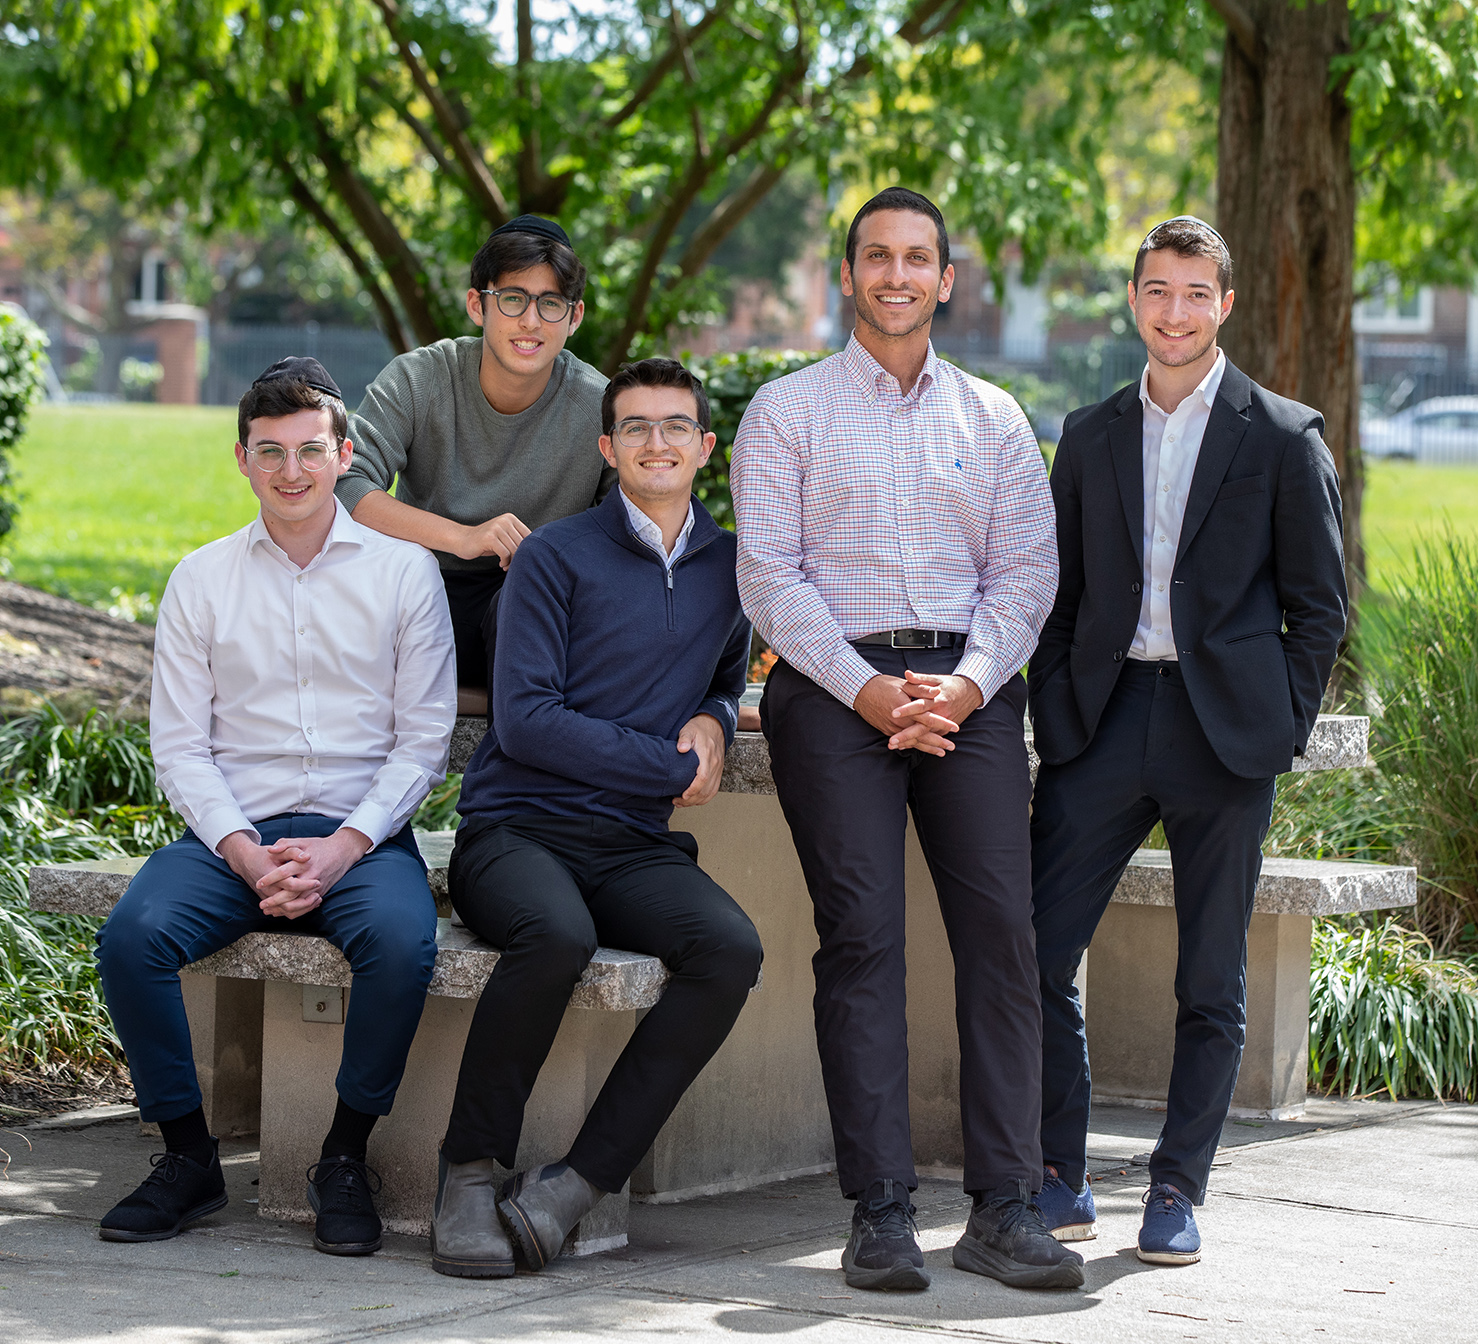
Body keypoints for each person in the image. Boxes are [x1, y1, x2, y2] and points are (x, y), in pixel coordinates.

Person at [731, 188, 1082, 1293]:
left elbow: (1026, 575)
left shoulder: (993, 417)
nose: (895, 275)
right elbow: (768, 579)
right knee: (862, 937)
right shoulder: (785, 411)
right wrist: (866, 689)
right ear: (848, 276)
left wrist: (967, 687)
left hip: (968, 692)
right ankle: (879, 1210)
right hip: (832, 690)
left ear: (945, 279)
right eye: (876, 257)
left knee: (1003, 936)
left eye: (916, 258)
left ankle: (1004, 1207)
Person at [1028, 216, 1346, 1265]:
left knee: (1209, 979)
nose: (1175, 311)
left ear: (1224, 304)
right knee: (1035, 951)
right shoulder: (1089, 434)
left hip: (1224, 737)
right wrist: (1055, 711)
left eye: (1195, 292)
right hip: (1103, 721)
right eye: (1157, 290)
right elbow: (1058, 593)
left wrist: (1277, 726)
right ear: (1134, 301)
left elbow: (1319, 608)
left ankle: (1175, 1188)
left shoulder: (1282, 436)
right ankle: (1059, 1175)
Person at [94, 358, 457, 1256]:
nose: (290, 471)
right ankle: (189, 1159)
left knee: (402, 943)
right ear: (242, 458)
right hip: (234, 839)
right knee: (132, 938)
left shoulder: (406, 574)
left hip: (361, 839)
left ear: (344, 455)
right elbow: (181, 746)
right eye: (270, 452)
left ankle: (343, 1157)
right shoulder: (201, 578)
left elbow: (422, 741)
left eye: (309, 450)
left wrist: (343, 847)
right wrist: (244, 851)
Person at [428, 357, 762, 1279]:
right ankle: (469, 1172)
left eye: (676, 426)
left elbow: (727, 675)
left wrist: (716, 718)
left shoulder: (732, 566)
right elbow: (527, 720)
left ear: (704, 446)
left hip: (631, 844)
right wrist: (671, 763)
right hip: (516, 830)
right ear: (608, 448)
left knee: (729, 950)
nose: (658, 442)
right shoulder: (554, 555)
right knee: (556, 935)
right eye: (636, 427)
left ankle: (575, 1183)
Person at [336, 215, 615, 715]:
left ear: (574, 318)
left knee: (533, 606)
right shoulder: (421, 377)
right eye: (512, 298)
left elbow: (631, 522)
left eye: (551, 303)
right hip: (424, 585)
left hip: (537, 607)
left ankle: (504, 714)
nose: (530, 321)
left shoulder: (601, 405)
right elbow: (346, 482)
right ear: (476, 305)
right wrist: (464, 537)